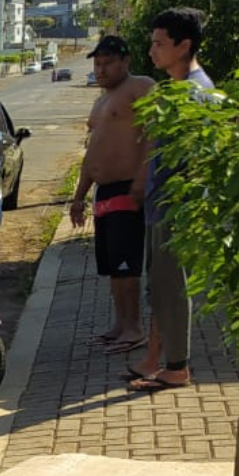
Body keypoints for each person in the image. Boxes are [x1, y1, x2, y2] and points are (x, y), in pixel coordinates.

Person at [128, 7, 215, 392]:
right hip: (161, 205)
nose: (152, 51)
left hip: (176, 210)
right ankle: (157, 358)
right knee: (160, 287)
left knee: (171, 289)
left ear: (184, 46)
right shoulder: (178, 89)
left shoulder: (194, 93)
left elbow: (195, 159)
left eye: (159, 44)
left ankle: (176, 367)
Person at [68, 35, 156, 354]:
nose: (101, 69)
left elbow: (155, 132)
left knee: (125, 264)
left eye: (107, 63)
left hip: (127, 186)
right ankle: (120, 324)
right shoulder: (100, 101)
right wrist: (79, 196)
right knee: (110, 265)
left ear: (125, 61)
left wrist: (143, 177)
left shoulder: (141, 87)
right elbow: (92, 153)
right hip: (103, 191)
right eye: (97, 64)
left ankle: (134, 329)